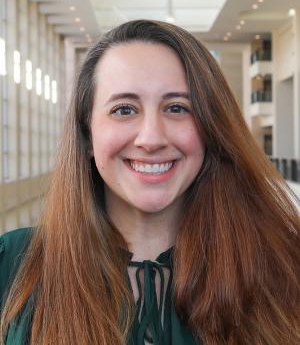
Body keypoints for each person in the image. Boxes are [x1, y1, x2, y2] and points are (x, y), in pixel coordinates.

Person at [0, 19, 299, 345]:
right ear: (87, 135)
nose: (152, 138)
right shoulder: (13, 264)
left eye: (177, 107)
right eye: (124, 109)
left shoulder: (285, 262)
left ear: (211, 128)